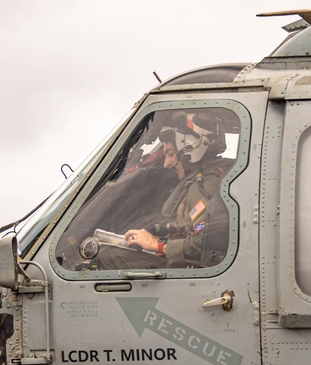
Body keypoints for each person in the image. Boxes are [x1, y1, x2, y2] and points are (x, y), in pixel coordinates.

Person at [95, 110, 235, 270]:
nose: (166, 163)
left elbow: (204, 242)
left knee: (107, 255)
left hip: (194, 268)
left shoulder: (206, 183)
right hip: (190, 262)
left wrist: (158, 245)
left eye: (170, 154)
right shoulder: (212, 176)